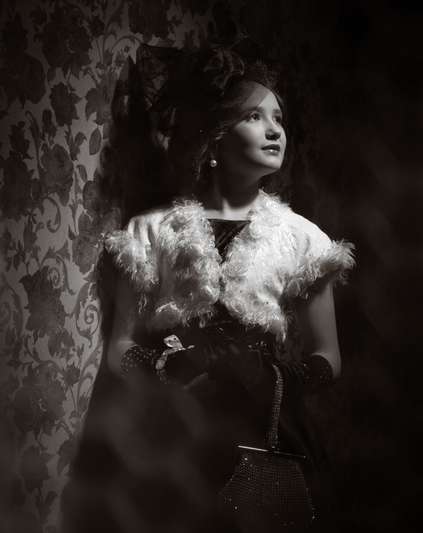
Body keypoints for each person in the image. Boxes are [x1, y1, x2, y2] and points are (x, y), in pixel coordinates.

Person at [63, 29, 354, 533]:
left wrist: (272, 377)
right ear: (215, 137)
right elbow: (119, 348)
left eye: (279, 119)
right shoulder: (151, 231)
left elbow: (328, 355)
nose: (274, 130)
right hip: (171, 430)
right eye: (254, 116)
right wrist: (168, 365)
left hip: (265, 432)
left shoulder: (303, 238)